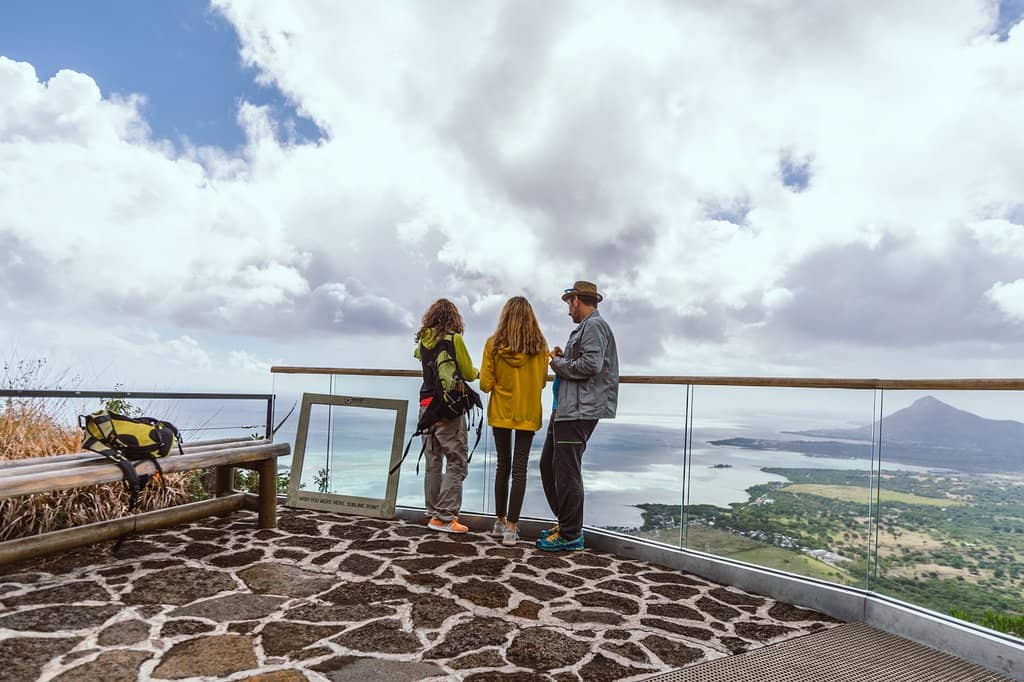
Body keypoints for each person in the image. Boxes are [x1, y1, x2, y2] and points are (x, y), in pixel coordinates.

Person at [537, 281, 619, 551]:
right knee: (549, 465)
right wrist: (563, 357)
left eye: (568, 303)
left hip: (579, 411)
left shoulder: (594, 326)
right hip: (568, 409)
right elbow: (583, 360)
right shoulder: (587, 328)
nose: (567, 309)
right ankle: (566, 523)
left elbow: (591, 365)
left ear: (576, 300)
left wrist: (556, 363)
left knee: (566, 472)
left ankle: (571, 534)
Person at [479, 297, 549, 546]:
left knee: (503, 466)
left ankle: (499, 521)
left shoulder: (493, 344)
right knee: (519, 469)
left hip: (501, 411)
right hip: (527, 413)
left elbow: (485, 385)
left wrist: (500, 384)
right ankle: (512, 528)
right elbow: (541, 382)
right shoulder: (541, 347)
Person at [414, 298, 479, 534]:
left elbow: (419, 358)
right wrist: (476, 373)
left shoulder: (423, 340)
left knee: (433, 460)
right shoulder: (454, 339)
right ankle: (444, 517)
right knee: (457, 460)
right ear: (454, 319)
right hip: (446, 408)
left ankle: (432, 512)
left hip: (425, 405)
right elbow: (469, 373)